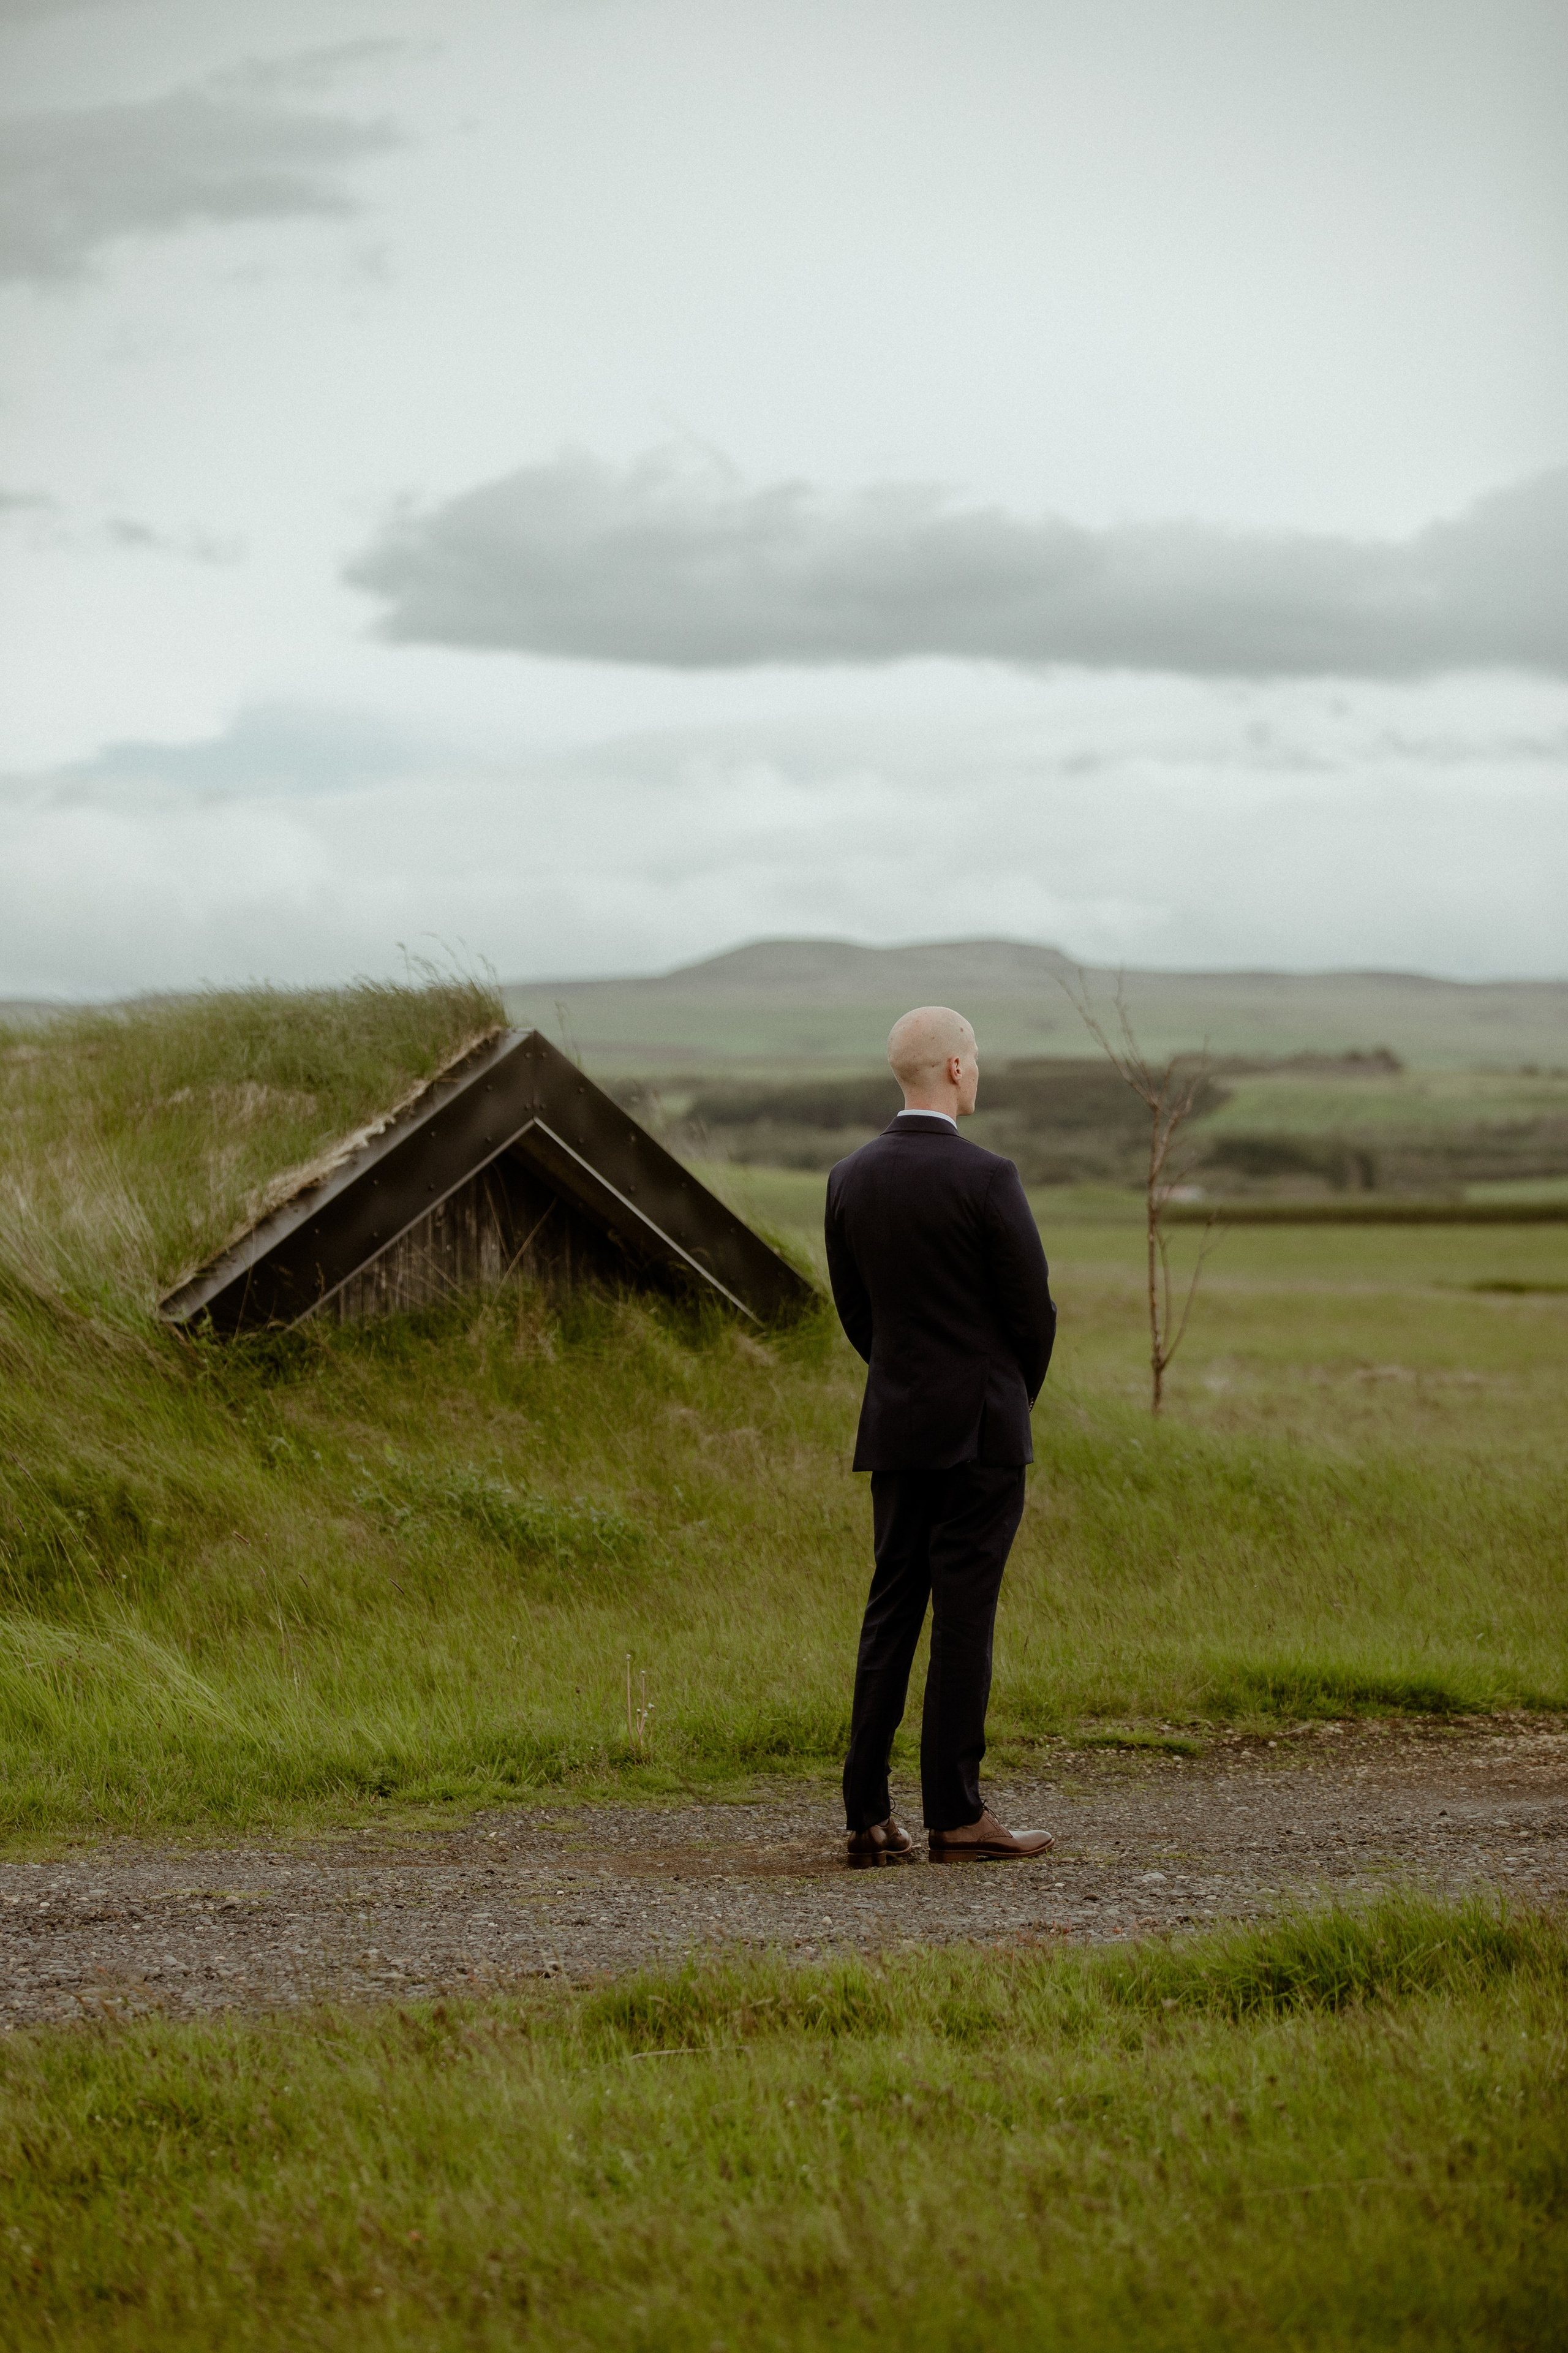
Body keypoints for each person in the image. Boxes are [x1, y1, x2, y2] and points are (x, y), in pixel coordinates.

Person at [826, 1005, 1058, 1861]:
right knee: (965, 1615)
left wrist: (904, 1381)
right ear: (957, 1069)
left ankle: (865, 1813)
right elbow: (1032, 1312)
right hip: (981, 1430)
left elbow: (860, 1315)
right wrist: (1006, 1393)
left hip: (897, 1425)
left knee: (891, 1606)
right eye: (977, 1059)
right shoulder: (988, 1177)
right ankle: (956, 1815)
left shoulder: (848, 1177)